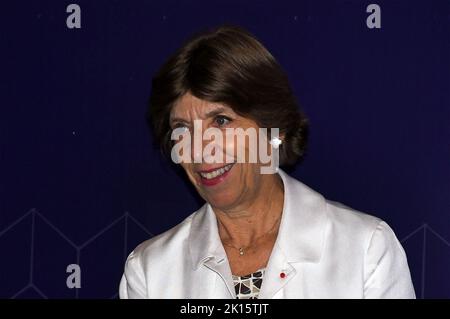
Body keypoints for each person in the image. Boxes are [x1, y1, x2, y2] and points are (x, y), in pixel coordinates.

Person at [119, 25, 415, 299]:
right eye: (183, 130)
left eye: (221, 121)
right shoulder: (150, 271)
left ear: (275, 130)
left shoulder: (366, 251)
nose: (200, 149)